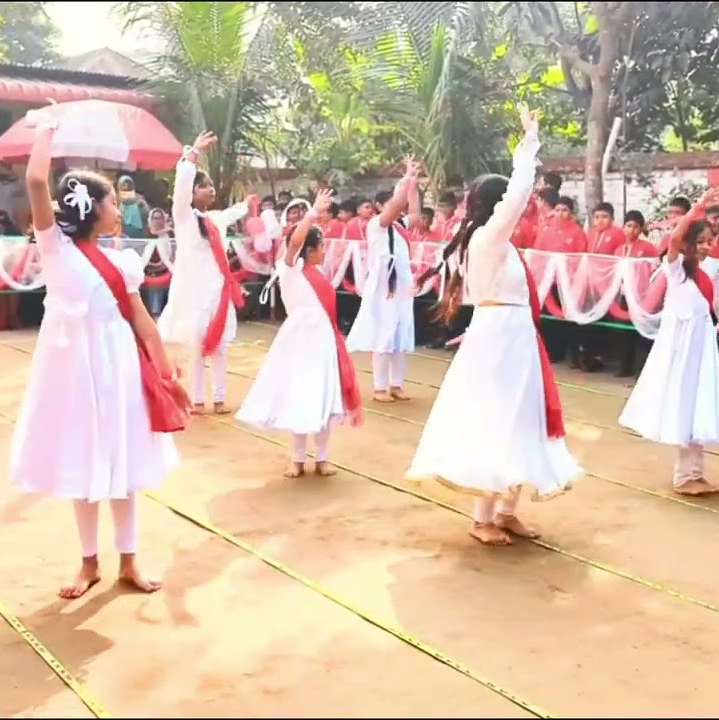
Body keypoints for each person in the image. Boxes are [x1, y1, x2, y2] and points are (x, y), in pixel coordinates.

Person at [9, 109, 185, 599]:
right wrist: (47, 131)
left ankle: (129, 560)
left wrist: (165, 371)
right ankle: (89, 563)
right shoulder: (57, 249)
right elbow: (36, 180)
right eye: (112, 200)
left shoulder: (122, 262)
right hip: (74, 371)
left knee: (122, 461)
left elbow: (142, 321)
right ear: (92, 208)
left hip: (119, 366)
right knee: (83, 461)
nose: (119, 207)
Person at [407, 106, 580, 547]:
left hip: (514, 336)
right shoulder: (487, 239)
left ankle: (506, 511)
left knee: (522, 418)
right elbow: (518, 194)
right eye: (507, 204)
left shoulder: (490, 242)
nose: (518, 211)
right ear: (495, 205)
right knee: (496, 419)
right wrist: (529, 143)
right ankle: (482, 518)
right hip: (500, 338)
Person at [619, 195, 719, 496]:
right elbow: (675, 237)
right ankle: (683, 476)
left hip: (702, 341)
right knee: (684, 401)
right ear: (689, 243)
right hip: (681, 343)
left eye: (709, 241)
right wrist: (697, 207)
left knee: (700, 401)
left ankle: (696, 472)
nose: (706, 246)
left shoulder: (713, 266)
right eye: (700, 241)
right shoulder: (676, 267)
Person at [236, 190, 362, 477]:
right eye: (321, 246)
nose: (324, 251)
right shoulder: (290, 268)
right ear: (309, 249)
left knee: (322, 396)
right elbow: (294, 242)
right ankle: (297, 458)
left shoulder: (320, 274)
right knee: (299, 395)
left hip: (323, 341)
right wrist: (312, 213)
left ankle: (322, 458)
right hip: (298, 341)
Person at [156, 131, 254, 414]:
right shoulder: (184, 217)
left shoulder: (213, 219)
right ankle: (198, 399)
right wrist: (193, 155)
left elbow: (233, 213)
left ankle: (220, 397)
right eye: (204, 186)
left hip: (217, 292)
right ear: (192, 192)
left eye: (211, 186)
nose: (210, 190)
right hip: (195, 292)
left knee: (220, 346)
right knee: (197, 347)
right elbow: (181, 189)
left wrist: (247, 205)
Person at [345, 157, 423, 403]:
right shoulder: (376, 224)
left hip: (402, 283)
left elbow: (414, 213)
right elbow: (399, 204)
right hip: (383, 284)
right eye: (389, 203)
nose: (395, 206)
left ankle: (396, 384)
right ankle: (379, 387)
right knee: (385, 332)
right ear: (380, 206)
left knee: (400, 331)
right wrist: (406, 178)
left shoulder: (399, 226)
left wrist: (413, 184)